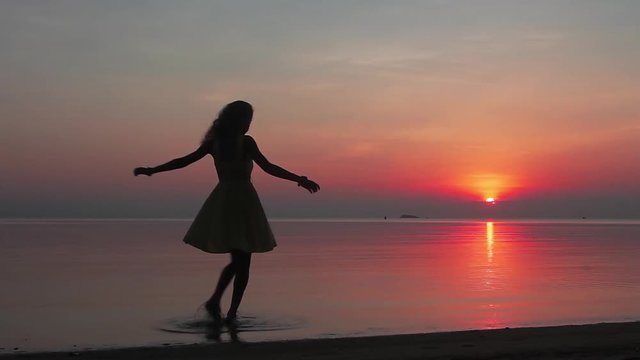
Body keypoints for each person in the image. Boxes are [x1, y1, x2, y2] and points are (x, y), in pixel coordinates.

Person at [134, 100, 320, 323]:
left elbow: (183, 161)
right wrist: (299, 179)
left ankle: (215, 302)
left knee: (237, 260)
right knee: (243, 261)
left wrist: (153, 170)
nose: (249, 124)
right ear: (238, 120)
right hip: (242, 202)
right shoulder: (245, 142)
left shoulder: (215, 143)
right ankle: (230, 312)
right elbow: (268, 167)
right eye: (247, 119)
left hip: (223, 202)